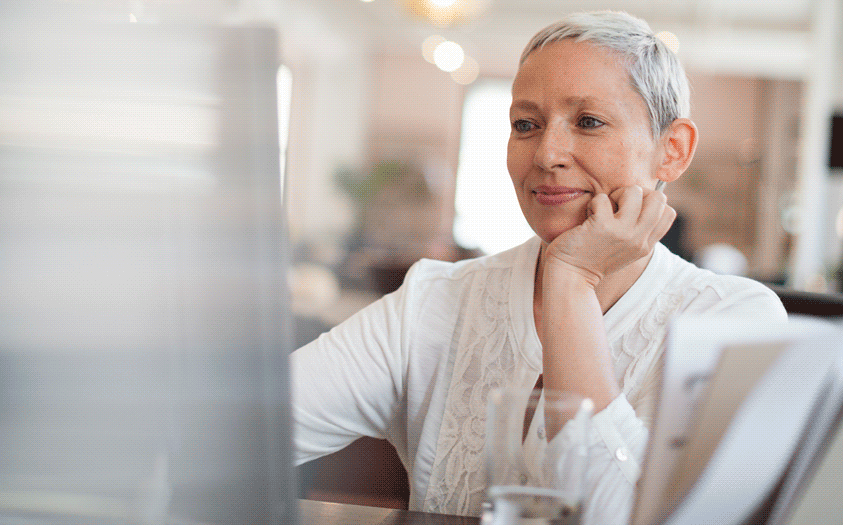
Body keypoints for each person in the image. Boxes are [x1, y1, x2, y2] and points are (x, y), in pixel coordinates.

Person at [291, 10, 787, 524]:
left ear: (673, 150)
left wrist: (571, 282)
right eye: (525, 124)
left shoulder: (736, 321)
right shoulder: (434, 299)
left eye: (589, 122)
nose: (547, 154)